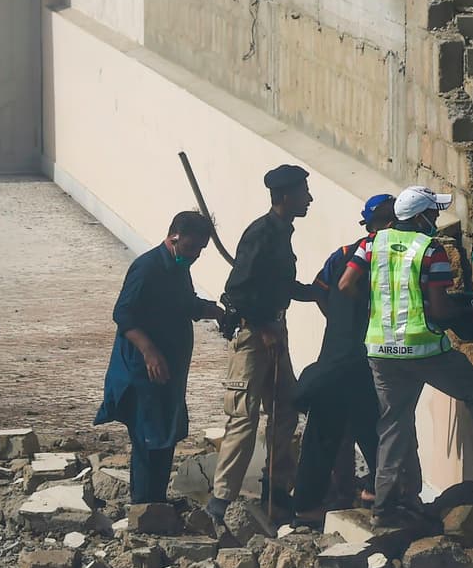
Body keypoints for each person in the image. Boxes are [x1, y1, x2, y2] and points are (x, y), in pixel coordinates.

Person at [337, 186, 473, 527]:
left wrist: (374, 308)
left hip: (381, 351)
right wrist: (471, 313)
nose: (436, 219)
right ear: (421, 216)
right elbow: (440, 311)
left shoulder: (371, 243)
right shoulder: (431, 250)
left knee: (393, 425)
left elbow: (345, 284)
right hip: (423, 349)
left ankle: (383, 508)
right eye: (433, 213)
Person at [292, 194, 413, 518]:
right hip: (364, 358)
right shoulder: (389, 255)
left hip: (338, 356)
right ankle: (377, 495)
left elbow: (319, 292)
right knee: (373, 426)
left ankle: (311, 504)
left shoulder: (343, 254)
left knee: (328, 429)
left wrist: (339, 322)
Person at [206, 165, 315, 523]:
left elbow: (280, 284)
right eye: (302, 192)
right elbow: (236, 292)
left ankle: (276, 489)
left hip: (274, 331)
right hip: (254, 336)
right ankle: (220, 503)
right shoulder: (261, 233)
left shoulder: (282, 232)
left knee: (285, 410)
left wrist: (317, 292)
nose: (309, 199)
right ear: (284, 196)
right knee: (244, 417)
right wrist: (263, 326)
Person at [95, 212, 224, 504]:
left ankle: (157, 501)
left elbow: (183, 304)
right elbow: (123, 314)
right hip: (143, 371)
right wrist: (149, 351)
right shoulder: (147, 268)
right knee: (148, 436)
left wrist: (211, 310)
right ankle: (143, 506)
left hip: (170, 372)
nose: (195, 255)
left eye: (200, 250)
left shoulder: (180, 267)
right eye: (191, 247)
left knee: (167, 434)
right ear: (174, 237)